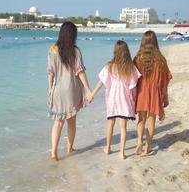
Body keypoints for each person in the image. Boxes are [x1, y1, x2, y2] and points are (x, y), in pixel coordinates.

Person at [47, 22, 92, 161]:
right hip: (72, 90)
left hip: (58, 91)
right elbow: (80, 72)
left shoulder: (52, 50)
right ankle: (70, 147)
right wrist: (88, 89)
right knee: (71, 122)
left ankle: (54, 153)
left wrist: (50, 90)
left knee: (58, 122)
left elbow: (51, 73)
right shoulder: (75, 51)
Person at [89, 40, 141, 159]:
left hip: (112, 100)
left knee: (110, 124)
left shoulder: (109, 66)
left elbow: (101, 82)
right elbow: (133, 87)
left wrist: (92, 94)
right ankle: (122, 153)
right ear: (127, 52)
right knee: (123, 127)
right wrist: (135, 100)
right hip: (125, 101)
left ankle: (107, 148)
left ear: (115, 52)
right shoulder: (131, 68)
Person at [133, 31, 172, 156]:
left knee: (141, 120)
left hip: (141, 92)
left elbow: (133, 79)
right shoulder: (161, 60)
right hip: (155, 93)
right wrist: (165, 96)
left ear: (143, 42)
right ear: (155, 42)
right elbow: (165, 80)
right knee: (151, 121)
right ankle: (147, 147)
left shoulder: (137, 58)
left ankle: (139, 141)